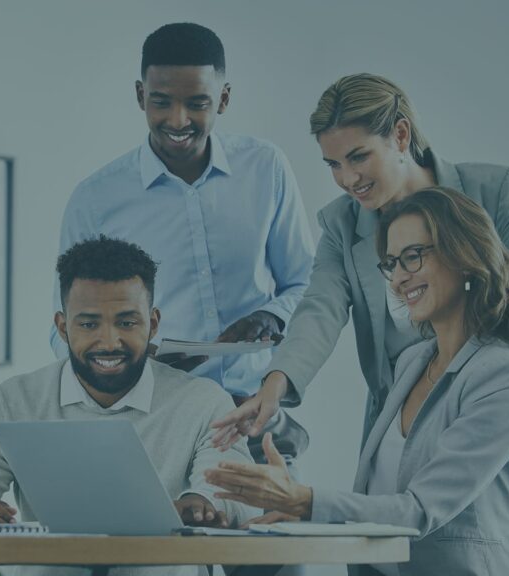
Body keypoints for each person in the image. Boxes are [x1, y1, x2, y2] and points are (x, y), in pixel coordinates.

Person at [212, 73, 509, 513]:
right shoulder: (342, 224)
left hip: (492, 410)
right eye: (332, 164)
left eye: (358, 157)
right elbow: (319, 310)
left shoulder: (494, 193)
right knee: (383, 537)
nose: (348, 179)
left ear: (401, 135)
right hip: (401, 418)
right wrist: (273, 388)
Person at [208, 187, 509, 575]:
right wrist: (304, 515)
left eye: (413, 257)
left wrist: (306, 500)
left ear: (464, 256)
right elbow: (380, 503)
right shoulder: (413, 363)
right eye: (391, 264)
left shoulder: (505, 377)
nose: (399, 278)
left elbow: (418, 510)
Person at [52, 22, 315, 461]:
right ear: (140, 96)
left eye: (197, 103)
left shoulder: (266, 169)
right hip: (155, 422)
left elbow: (307, 284)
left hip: (254, 416)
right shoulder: (96, 198)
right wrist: (132, 359)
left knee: (274, 529)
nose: (178, 121)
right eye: (161, 102)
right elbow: (62, 325)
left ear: (224, 99)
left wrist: (272, 314)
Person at [0, 236, 257, 576]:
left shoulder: (203, 400)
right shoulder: (15, 399)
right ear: (63, 327)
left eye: (127, 322)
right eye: (88, 324)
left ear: (152, 324)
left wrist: (205, 504)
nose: (109, 342)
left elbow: (240, 496)